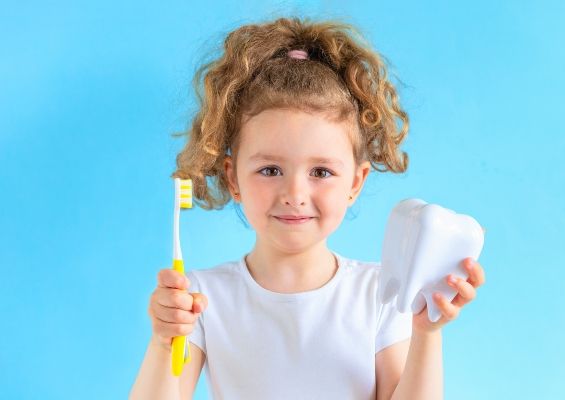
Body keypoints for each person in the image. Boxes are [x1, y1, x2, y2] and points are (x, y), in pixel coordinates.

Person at [130, 16, 486, 400]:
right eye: (270, 170)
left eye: (321, 172)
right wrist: (164, 342)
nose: (294, 193)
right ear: (232, 178)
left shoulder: (381, 294)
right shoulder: (201, 298)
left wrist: (426, 333)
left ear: (355, 182)